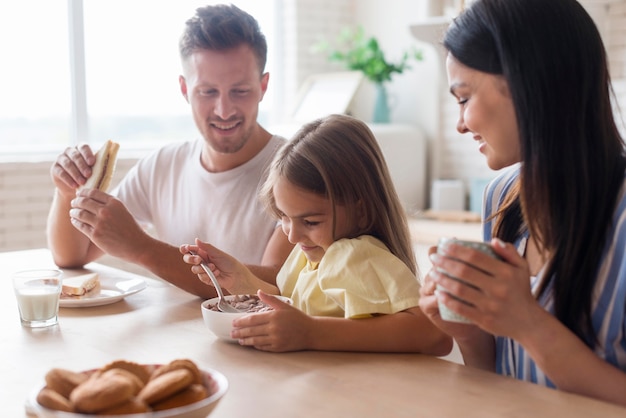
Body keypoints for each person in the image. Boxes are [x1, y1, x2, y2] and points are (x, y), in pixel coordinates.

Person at [418, 0, 626, 406]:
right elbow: (499, 382)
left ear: (526, 84)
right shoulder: (501, 196)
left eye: (463, 98)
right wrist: (468, 328)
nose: (460, 123)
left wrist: (528, 323)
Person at [46, 4, 293, 299]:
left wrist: (142, 248)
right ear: (184, 89)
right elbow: (72, 256)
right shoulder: (163, 165)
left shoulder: (295, 171)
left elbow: (277, 283)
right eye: (207, 92)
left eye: (239, 91)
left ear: (263, 86)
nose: (224, 110)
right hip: (171, 341)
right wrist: (66, 194)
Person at [181, 114, 452, 354]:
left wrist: (311, 332)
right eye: (284, 217)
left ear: (361, 210)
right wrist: (239, 278)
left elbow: (433, 334)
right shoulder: (310, 254)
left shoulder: (354, 255)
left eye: (310, 221)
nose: (292, 236)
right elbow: (295, 308)